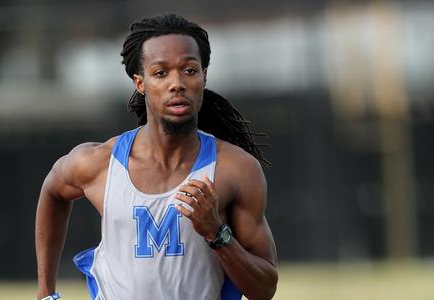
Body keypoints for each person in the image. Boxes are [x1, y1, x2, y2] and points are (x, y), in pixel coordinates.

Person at [36, 13, 278, 300]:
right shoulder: (100, 163)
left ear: (204, 76)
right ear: (140, 83)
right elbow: (53, 192)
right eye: (161, 73)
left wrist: (217, 234)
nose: (177, 83)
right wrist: (46, 293)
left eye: (189, 70)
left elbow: (264, 290)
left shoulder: (235, 170)